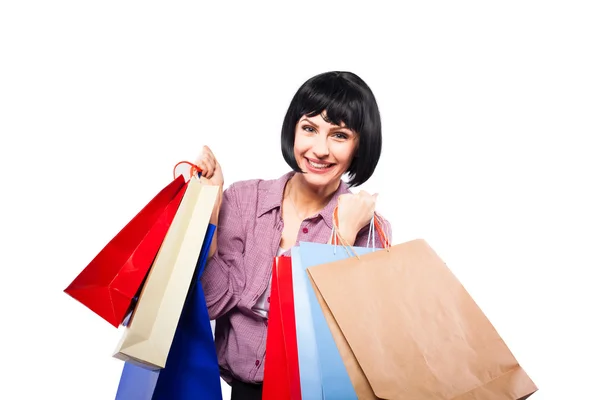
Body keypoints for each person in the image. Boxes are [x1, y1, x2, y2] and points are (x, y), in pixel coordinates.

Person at [195, 71, 392, 400]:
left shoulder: (368, 228)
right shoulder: (244, 201)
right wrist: (211, 206)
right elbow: (212, 304)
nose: (320, 150)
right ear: (294, 130)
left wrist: (342, 236)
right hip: (244, 393)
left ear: (360, 145)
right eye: (310, 129)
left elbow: (340, 342)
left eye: (339, 135)